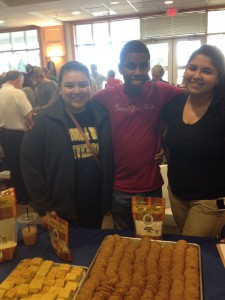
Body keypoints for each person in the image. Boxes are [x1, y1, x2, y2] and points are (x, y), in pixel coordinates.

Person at [92, 40, 183, 230]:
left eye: (143, 66)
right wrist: (39, 111)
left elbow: (194, 95)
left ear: (149, 67)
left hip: (150, 187)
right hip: (119, 189)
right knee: (123, 244)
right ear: (120, 68)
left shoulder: (161, 91)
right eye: (131, 66)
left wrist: (165, 142)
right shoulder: (107, 95)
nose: (138, 72)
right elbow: (78, 103)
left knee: (151, 242)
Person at [21, 61, 113, 229]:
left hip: (95, 203)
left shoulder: (102, 115)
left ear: (90, 87)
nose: (77, 91)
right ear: (60, 88)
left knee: (91, 249)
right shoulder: (42, 120)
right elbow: (30, 167)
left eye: (83, 85)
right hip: (60, 208)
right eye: (69, 86)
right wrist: (43, 208)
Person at [162, 44, 225, 237]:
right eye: (192, 68)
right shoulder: (174, 104)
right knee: (189, 249)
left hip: (209, 200)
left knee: (189, 248)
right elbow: (165, 135)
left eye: (206, 71)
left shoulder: (221, 110)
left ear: (218, 79)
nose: (197, 75)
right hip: (177, 194)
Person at [0, 70, 32, 204]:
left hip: (3, 134)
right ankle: (29, 195)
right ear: (17, 80)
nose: (22, 85)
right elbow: (29, 114)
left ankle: (20, 196)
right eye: (22, 82)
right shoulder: (17, 93)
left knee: (13, 166)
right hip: (18, 135)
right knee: (25, 165)